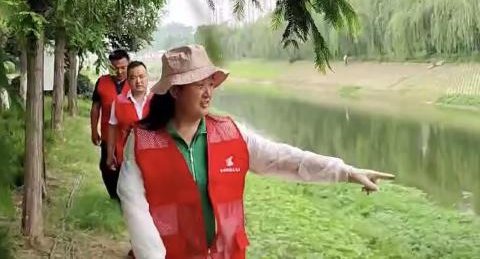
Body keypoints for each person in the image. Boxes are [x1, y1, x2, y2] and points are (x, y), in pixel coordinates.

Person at [118, 45, 394, 259]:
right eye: (199, 84)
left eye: (211, 84)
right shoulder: (143, 141)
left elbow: (284, 159)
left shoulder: (230, 133)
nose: (208, 92)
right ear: (175, 91)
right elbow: (134, 206)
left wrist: (344, 171)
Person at [90, 49, 130, 199]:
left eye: (123, 68)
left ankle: (127, 198)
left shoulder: (135, 82)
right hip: (108, 135)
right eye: (115, 68)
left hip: (129, 137)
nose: (119, 71)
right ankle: (114, 197)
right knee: (107, 168)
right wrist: (94, 130)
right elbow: (95, 108)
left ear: (128, 65)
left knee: (127, 168)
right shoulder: (102, 82)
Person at [107, 61, 153, 171]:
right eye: (133, 78)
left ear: (147, 77)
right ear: (128, 80)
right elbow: (112, 129)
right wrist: (109, 155)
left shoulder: (157, 101)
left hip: (153, 159)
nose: (138, 81)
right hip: (127, 160)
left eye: (141, 76)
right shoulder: (118, 102)